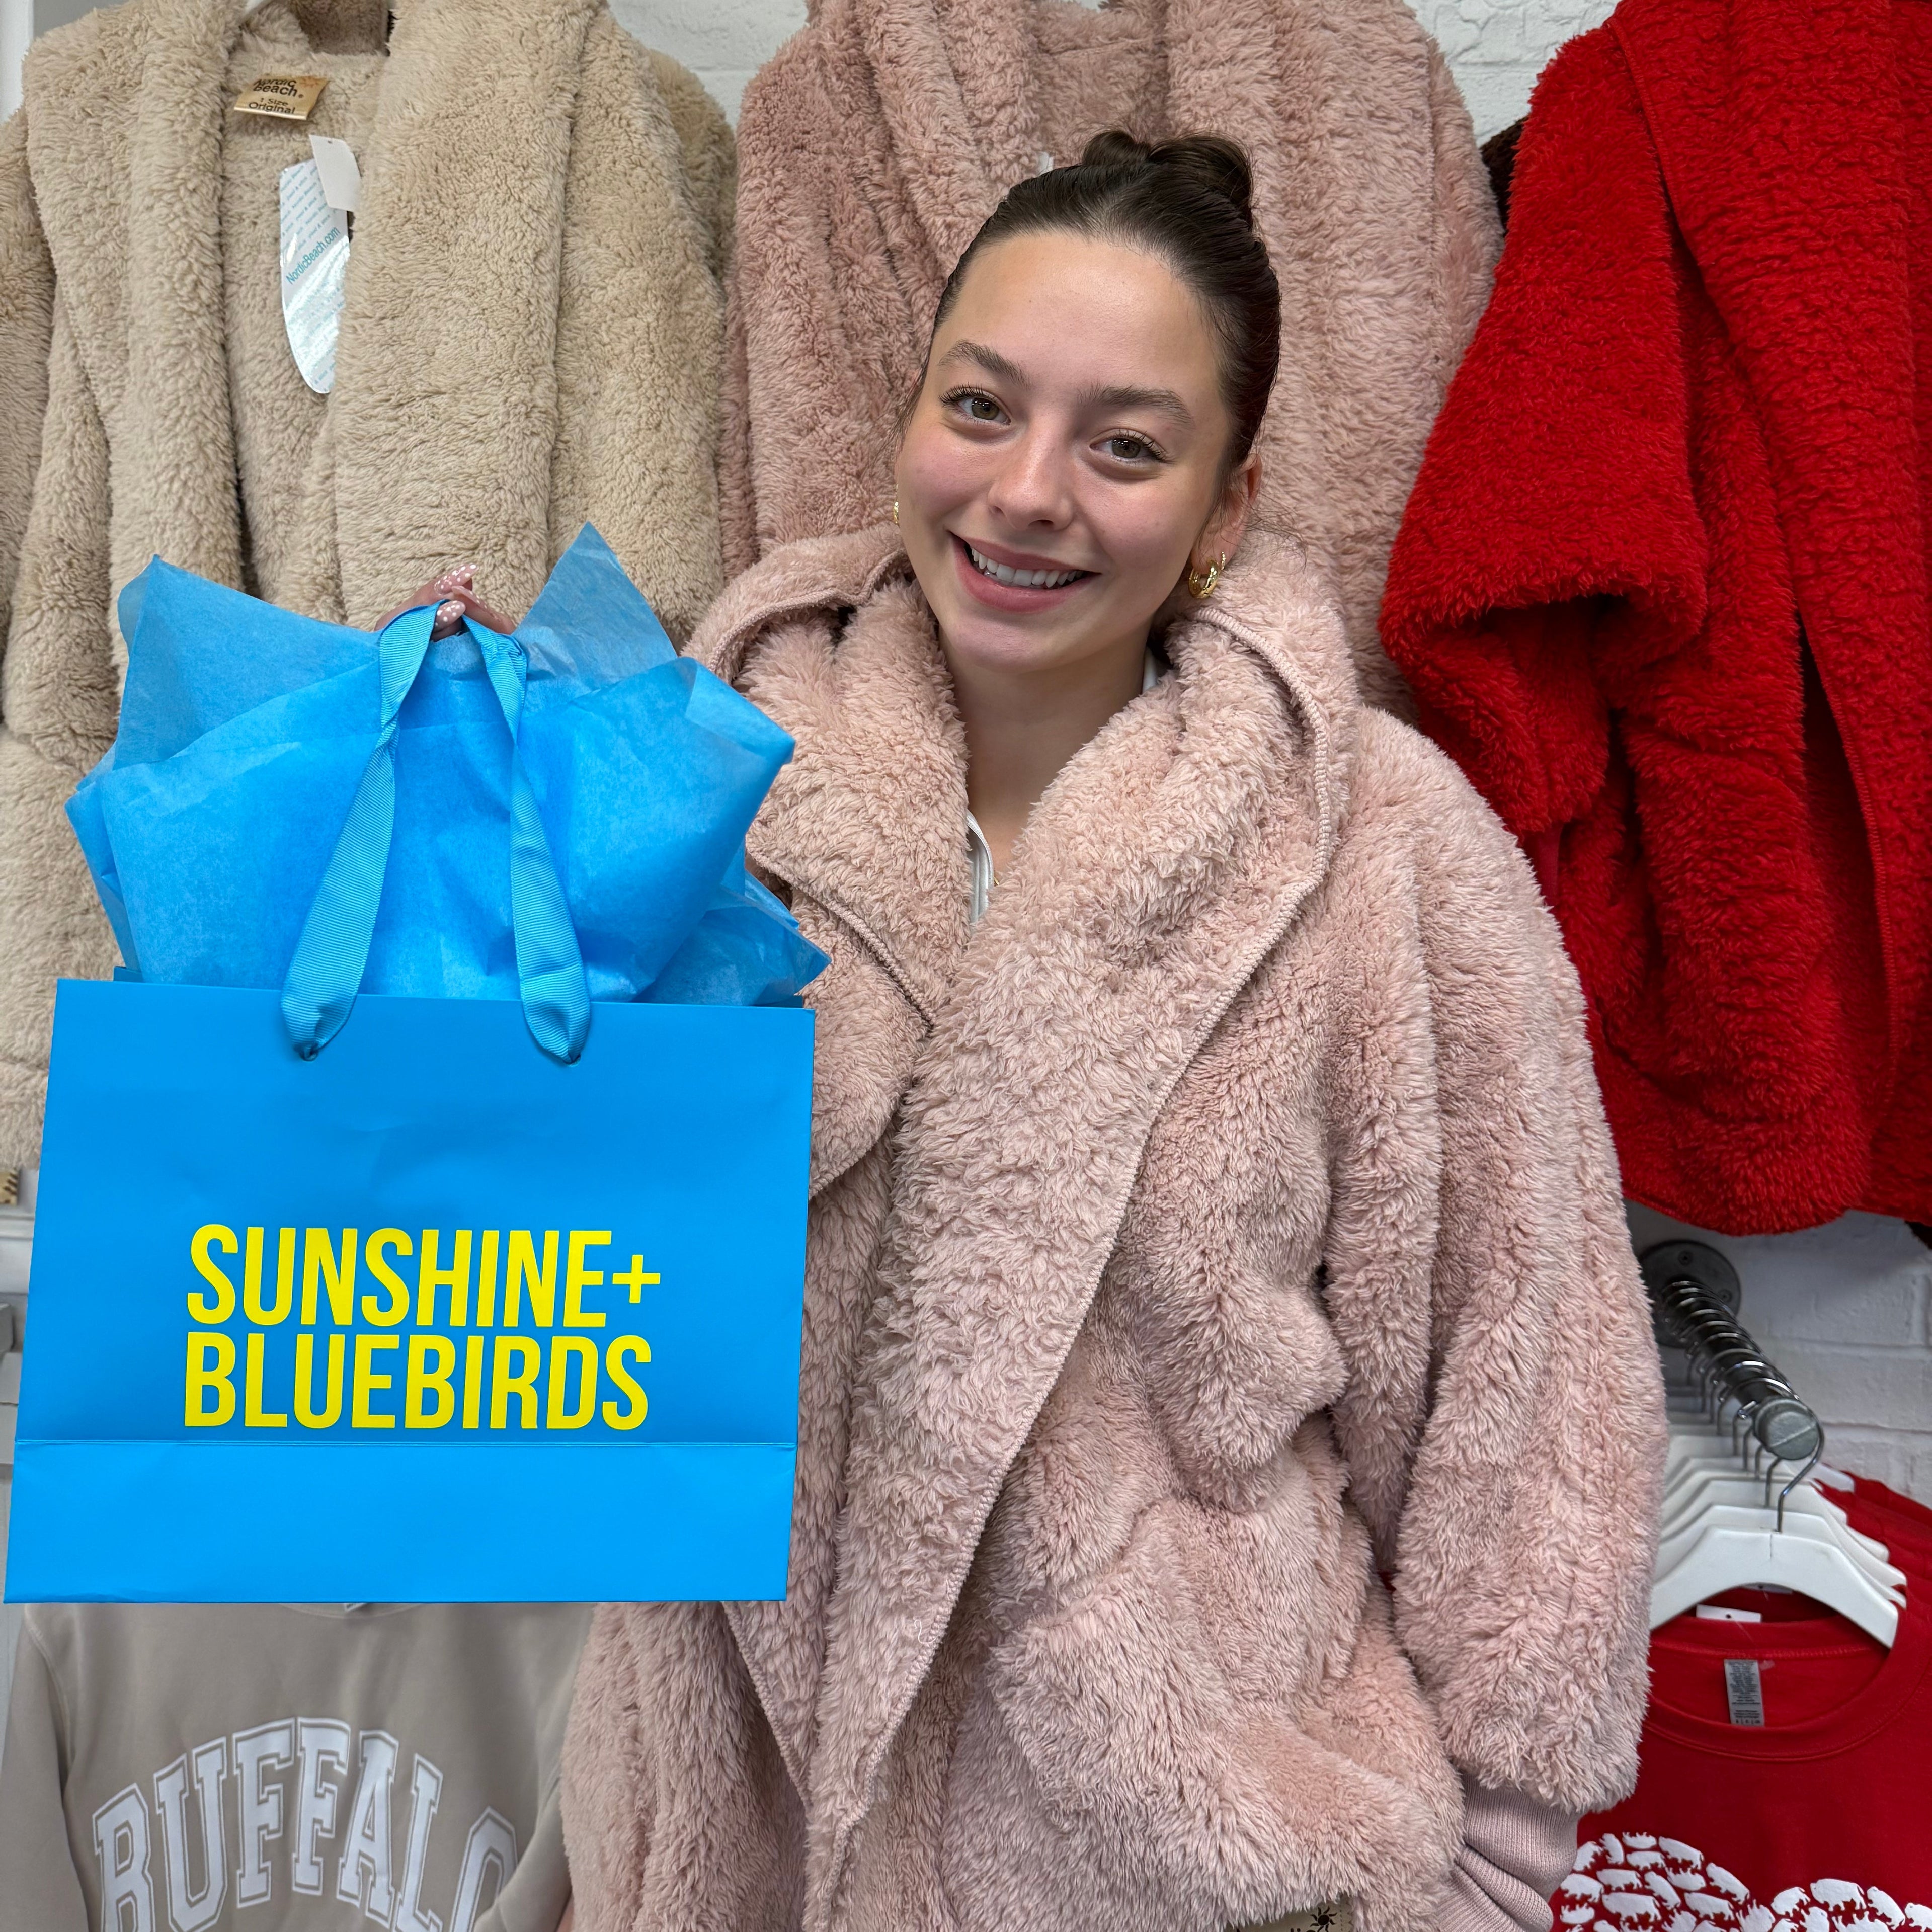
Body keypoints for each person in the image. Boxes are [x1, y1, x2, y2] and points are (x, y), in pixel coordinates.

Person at [429, 133, 1667, 1932]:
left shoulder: (1383, 853)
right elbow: (486, 1249)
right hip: (730, 1846)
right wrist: (459, 795)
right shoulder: (687, 791)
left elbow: (1531, 1385)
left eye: (1126, 447)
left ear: (1227, 507)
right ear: (909, 414)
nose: (1026, 493)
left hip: (1203, 1864)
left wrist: (1492, 1870)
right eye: (982, 407)